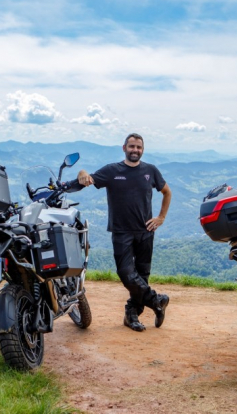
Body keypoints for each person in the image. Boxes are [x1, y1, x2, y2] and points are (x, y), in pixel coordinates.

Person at [77, 133, 172, 332]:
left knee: (141, 275)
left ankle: (132, 315)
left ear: (142, 149)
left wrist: (161, 218)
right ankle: (156, 301)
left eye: (138, 147)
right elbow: (88, 179)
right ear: (124, 148)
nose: (135, 150)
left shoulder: (150, 170)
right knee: (126, 273)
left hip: (146, 231)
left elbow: (167, 192)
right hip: (121, 232)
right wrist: (82, 171)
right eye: (131, 146)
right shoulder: (112, 170)